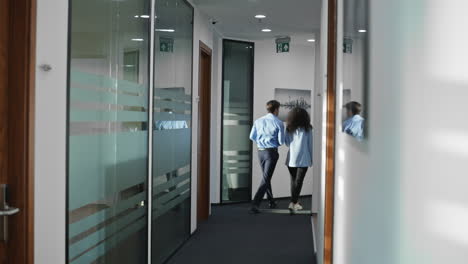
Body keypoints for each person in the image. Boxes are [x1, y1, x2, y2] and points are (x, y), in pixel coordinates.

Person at [249, 100, 285, 214]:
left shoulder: (258, 121)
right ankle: (255, 203)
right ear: (276, 109)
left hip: (260, 152)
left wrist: (262, 142)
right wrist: (272, 143)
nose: (279, 111)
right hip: (271, 152)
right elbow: (281, 141)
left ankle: (271, 201)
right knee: (266, 178)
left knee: (266, 176)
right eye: (278, 109)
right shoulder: (279, 122)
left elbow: (252, 137)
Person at [284, 107, 313, 213]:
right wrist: (312, 159)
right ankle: (293, 202)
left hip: (291, 159)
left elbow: (286, 143)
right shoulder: (308, 129)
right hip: (304, 159)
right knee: (299, 182)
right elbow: (310, 145)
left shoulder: (288, 128)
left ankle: (294, 203)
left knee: (293, 181)